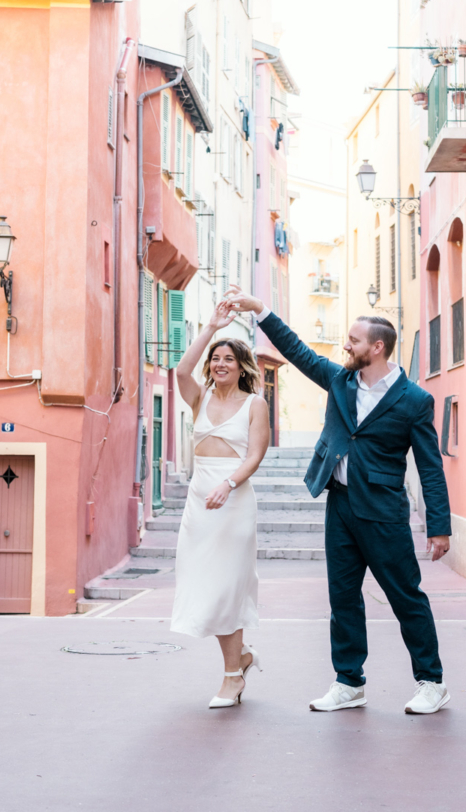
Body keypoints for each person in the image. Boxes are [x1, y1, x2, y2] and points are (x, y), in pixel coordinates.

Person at [225, 287, 452, 715]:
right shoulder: (340, 380)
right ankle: (349, 682)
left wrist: (439, 527)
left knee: (407, 598)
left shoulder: (415, 401)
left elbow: (430, 466)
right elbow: (297, 351)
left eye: (353, 340)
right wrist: (261, 310)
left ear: (377, 347)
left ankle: (431, 682)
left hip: (384, 512)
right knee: (343, 596)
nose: (345, 345)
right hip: (341, 505)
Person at [169, 299, 270, 708]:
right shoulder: (199, 399)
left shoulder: (254, 404)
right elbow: (180, 371)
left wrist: (228, 483)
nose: (220, 364)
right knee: (206, 587)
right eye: (215, 359)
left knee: (227, 588)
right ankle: (242, 658)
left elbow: (255, 455)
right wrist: (210, 327)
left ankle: (232, 677)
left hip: (233, 501)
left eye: (228, 359)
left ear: (242, 365)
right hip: (200, 503)